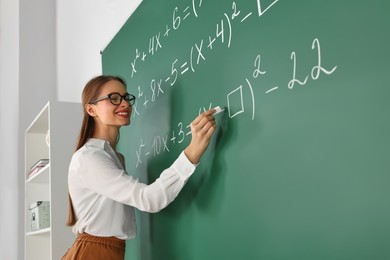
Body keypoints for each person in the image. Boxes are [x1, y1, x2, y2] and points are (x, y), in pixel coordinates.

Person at [62, 75, 217, 259]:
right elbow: (149, 199)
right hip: (93, 253)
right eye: (114, 98)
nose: (125, 104)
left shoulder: (113, 156)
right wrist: (192, 152)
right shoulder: (89, 157)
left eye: (126, 97)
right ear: (91, 109)